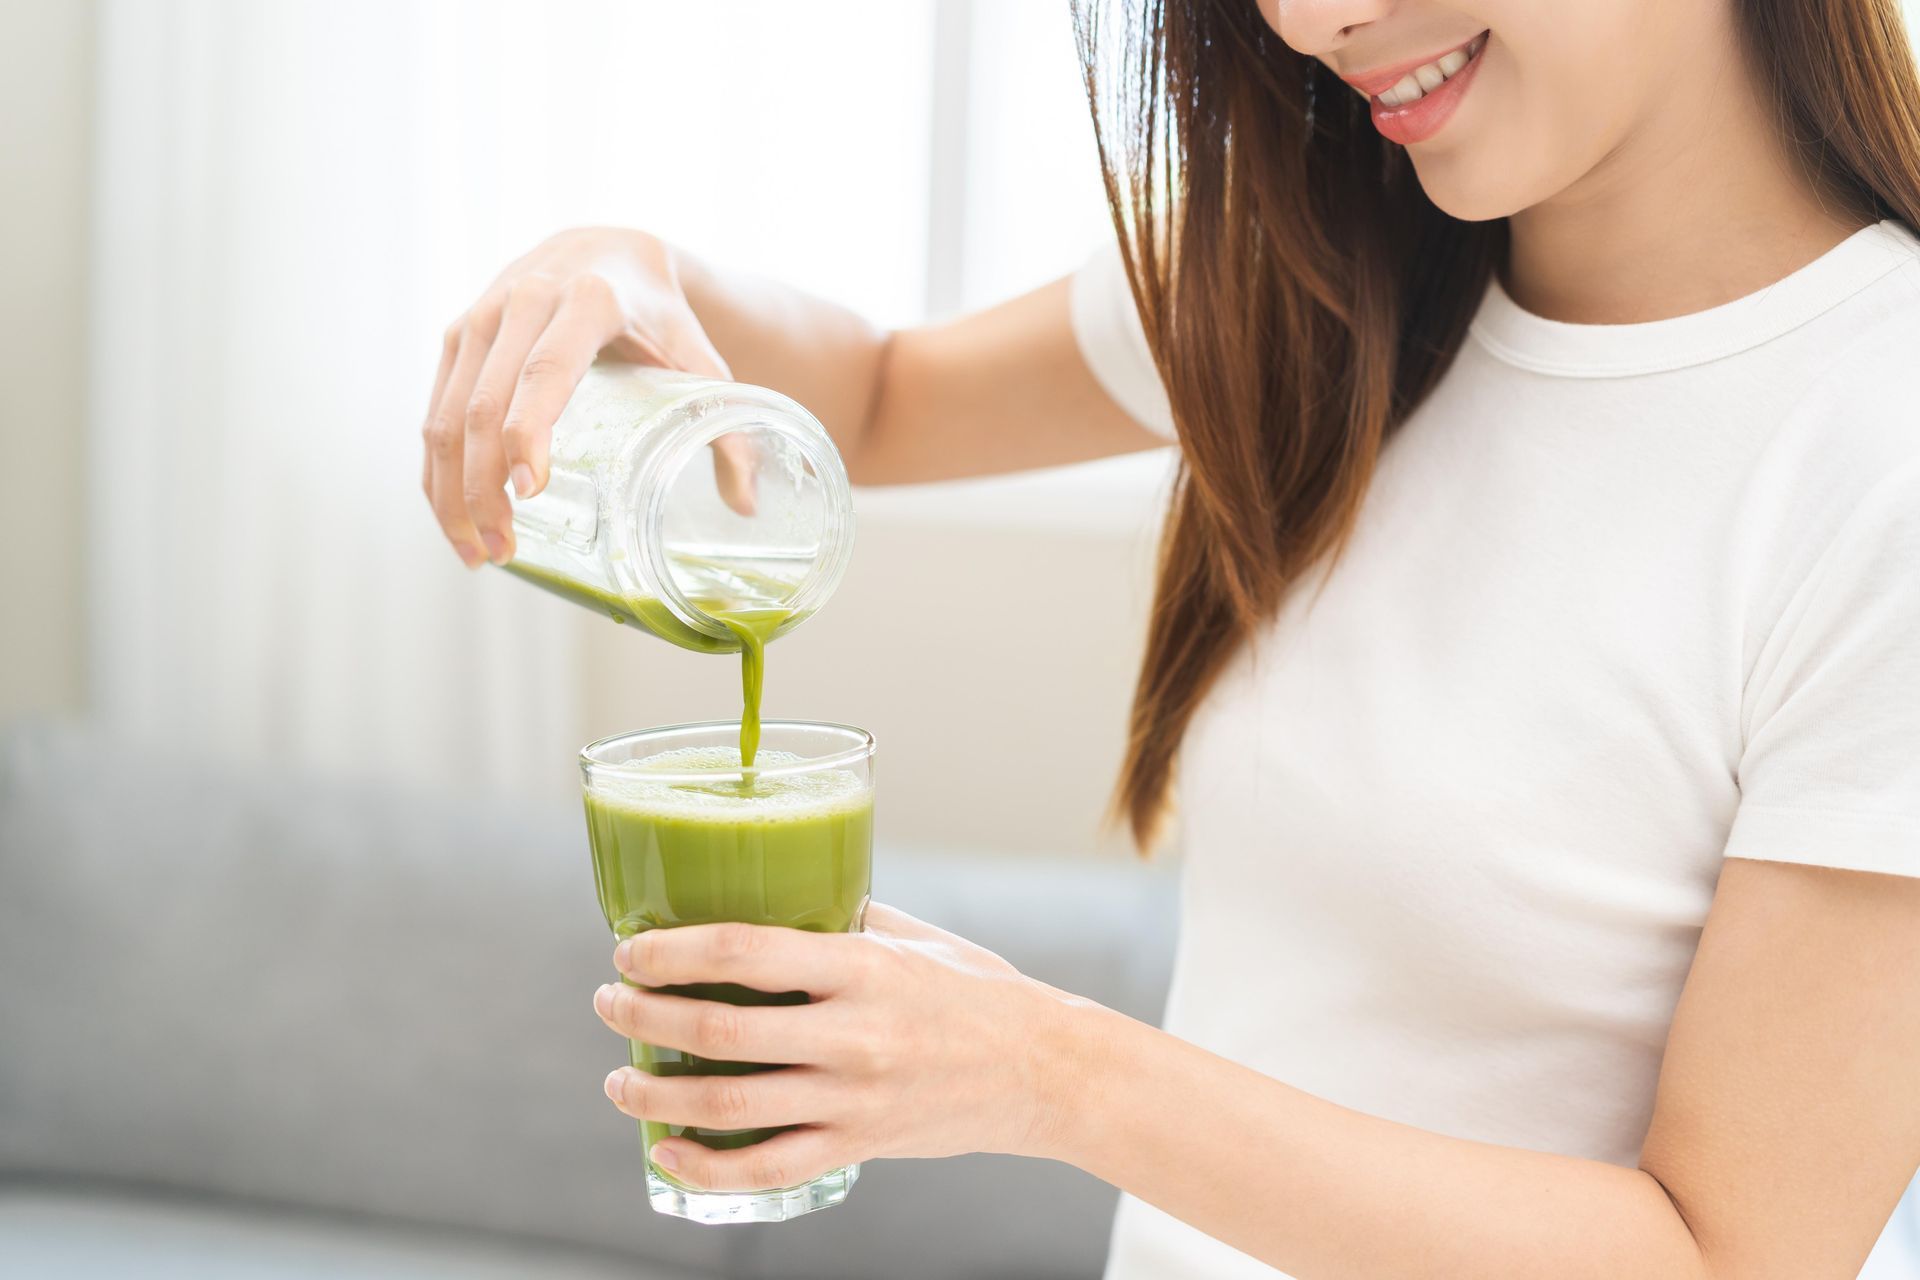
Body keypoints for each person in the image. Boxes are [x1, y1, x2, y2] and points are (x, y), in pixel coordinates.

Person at [419, 1, 1920, 1275]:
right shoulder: (1316, 269)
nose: (1312, 18)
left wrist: (1043, 1070)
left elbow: (1728, 1254)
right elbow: (874, 396)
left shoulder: (1878, 441)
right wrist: (633, 277)